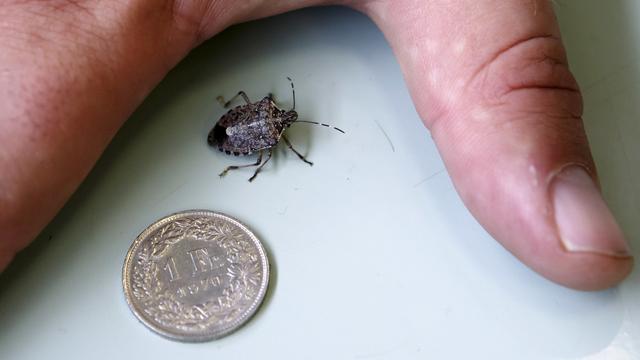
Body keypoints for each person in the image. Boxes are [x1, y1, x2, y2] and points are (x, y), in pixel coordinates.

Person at [0, 0, 632, 290]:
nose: (281, 120)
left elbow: (254, 133)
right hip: (228, 135)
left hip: (229, 135)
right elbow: (256, 134)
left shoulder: (266, 126)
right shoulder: (268, 125)